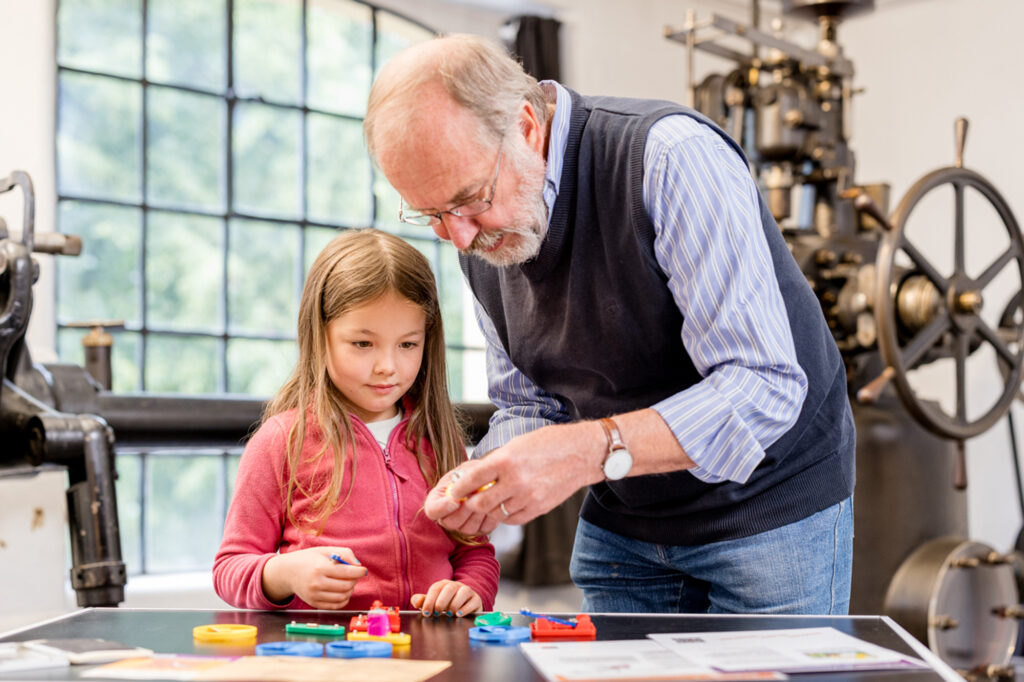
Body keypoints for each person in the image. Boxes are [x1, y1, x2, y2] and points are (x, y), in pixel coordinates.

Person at [363, 34, 856, 615]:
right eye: (431, 215)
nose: (460, 238)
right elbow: (530, 405)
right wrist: (482, 480)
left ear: (526, 127)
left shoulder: (670, 158)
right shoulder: (481, 232)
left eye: (469, 200)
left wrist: (582, 452)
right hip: (625, 526)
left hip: (768, 512)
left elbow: (763, 385)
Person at [213, 228, 499, 616]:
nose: (387, 367)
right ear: (320, 335)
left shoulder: (438, 437)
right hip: (324, 661)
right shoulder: (281, 441)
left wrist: (470, 591)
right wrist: (283, 574)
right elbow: (230, 568)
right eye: (363, 344)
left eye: (408, 344)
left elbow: (474, 552)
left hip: (429, 659)